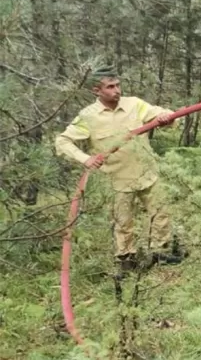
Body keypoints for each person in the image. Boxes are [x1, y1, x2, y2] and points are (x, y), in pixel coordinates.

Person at [55, 67, 185, 272]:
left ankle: (162, 252)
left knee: (161, 213)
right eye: (110, 87)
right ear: (96, 90)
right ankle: (126, 260)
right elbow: (62, 141)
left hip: (146, 173)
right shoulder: (88, 116)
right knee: (123, 223)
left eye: (117, 85)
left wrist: (165, 117)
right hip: (116, 181)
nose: (117, 90)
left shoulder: (134, 104)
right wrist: (85, 158)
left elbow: (161, 114)